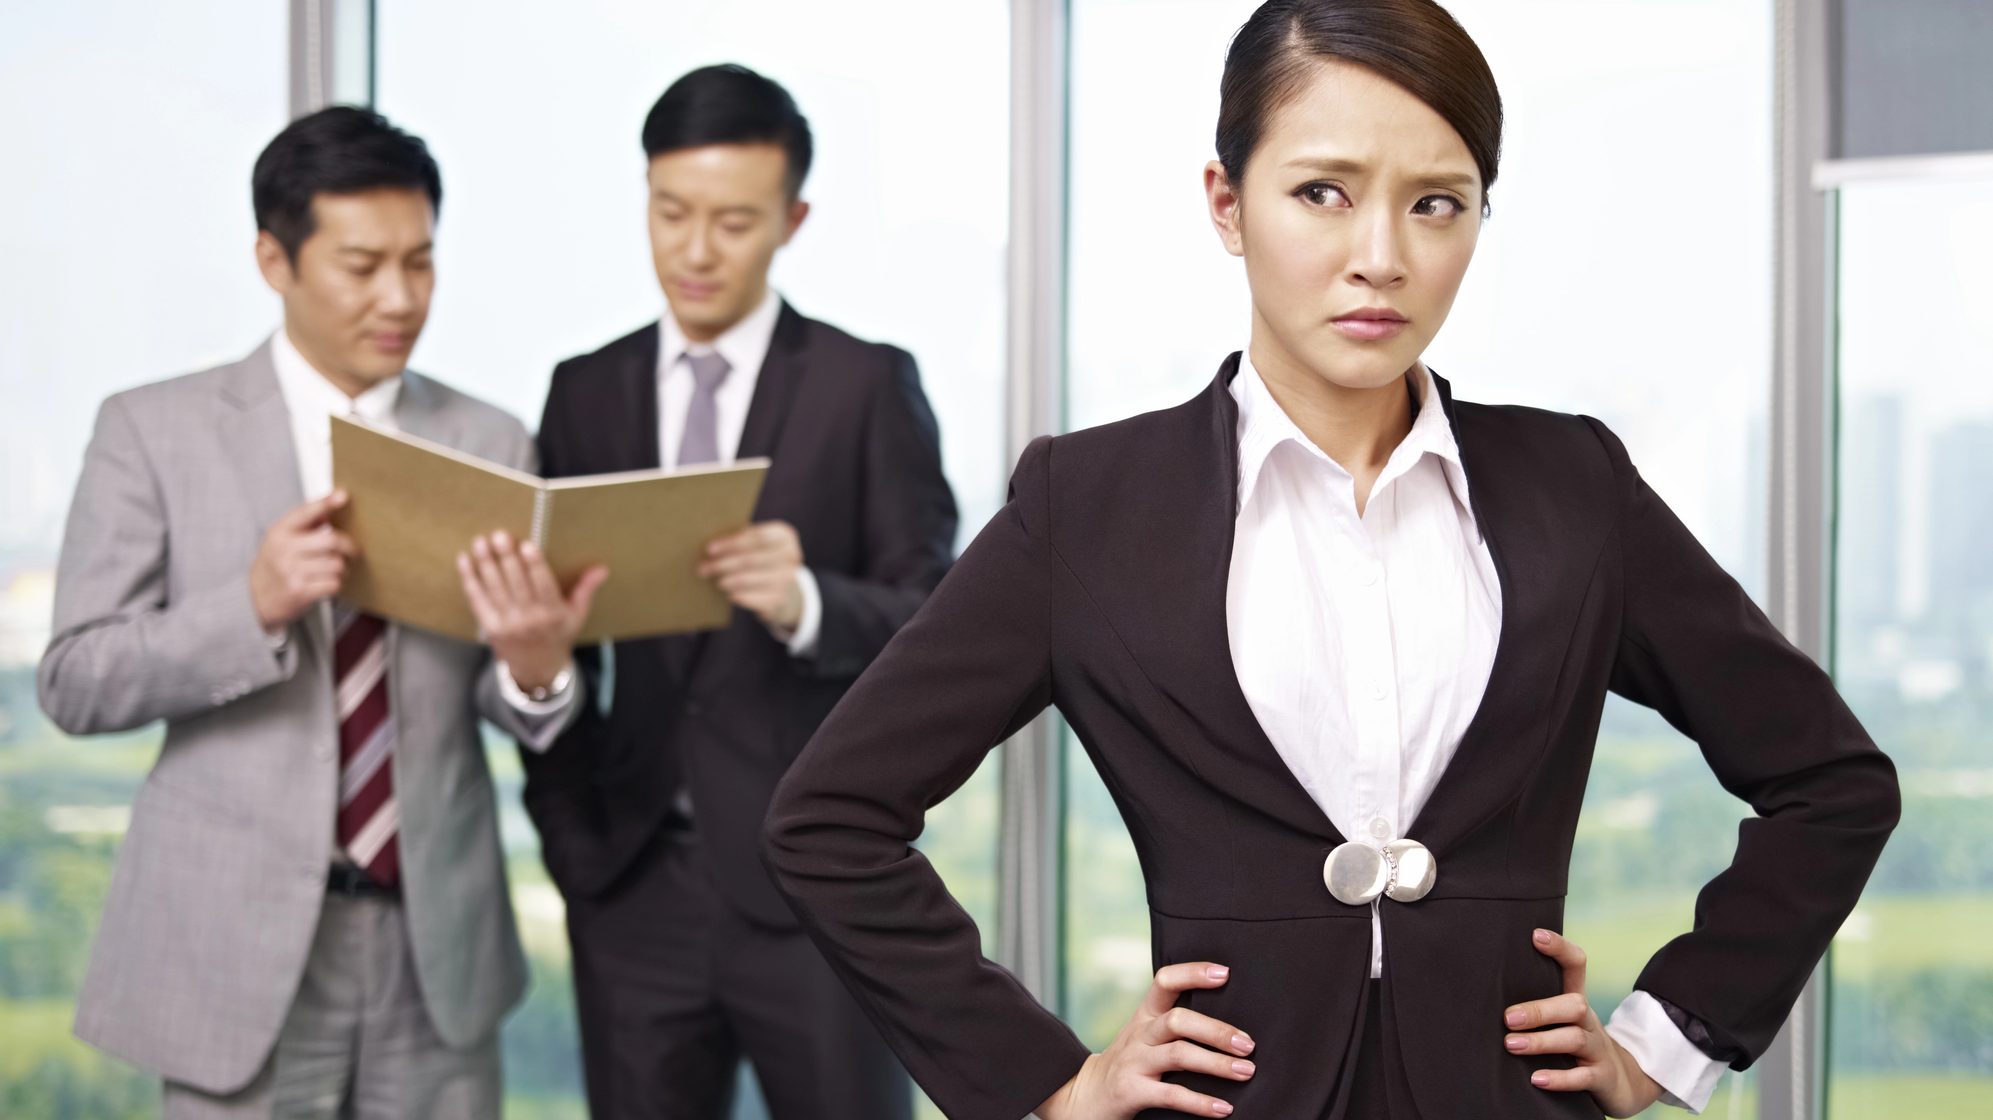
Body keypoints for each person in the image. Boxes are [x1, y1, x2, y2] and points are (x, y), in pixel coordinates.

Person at [761, 2, 1900, 1118]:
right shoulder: (1089, 506)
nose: (1382, 258)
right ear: (1226, 202)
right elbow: (830, 817)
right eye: (1322, 192)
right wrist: (1044, 1082)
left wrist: (1665, 1040)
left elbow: (1833, 784)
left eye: (1437, 204)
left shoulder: (1576, 487)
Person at [38, 106, 598, 1118]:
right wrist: (250, 605)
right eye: (362, 265)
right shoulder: (151, 431)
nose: (399, 297)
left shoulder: (492, 438)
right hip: (231, 948)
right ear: (273, 259)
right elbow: (75, 679)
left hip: (438, 945)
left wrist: (535, 666)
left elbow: (508, 695)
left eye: (421, 263)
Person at [518, 64, 957, 1120]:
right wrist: (533, 676)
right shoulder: (585, 390)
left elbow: (939, 626)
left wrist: (806, 600)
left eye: (731, 220)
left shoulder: (863, 385)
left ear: (792, 219)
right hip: (630, 888)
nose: (695, 250)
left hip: (812, 891)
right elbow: (564, 653)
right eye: (670, 213)